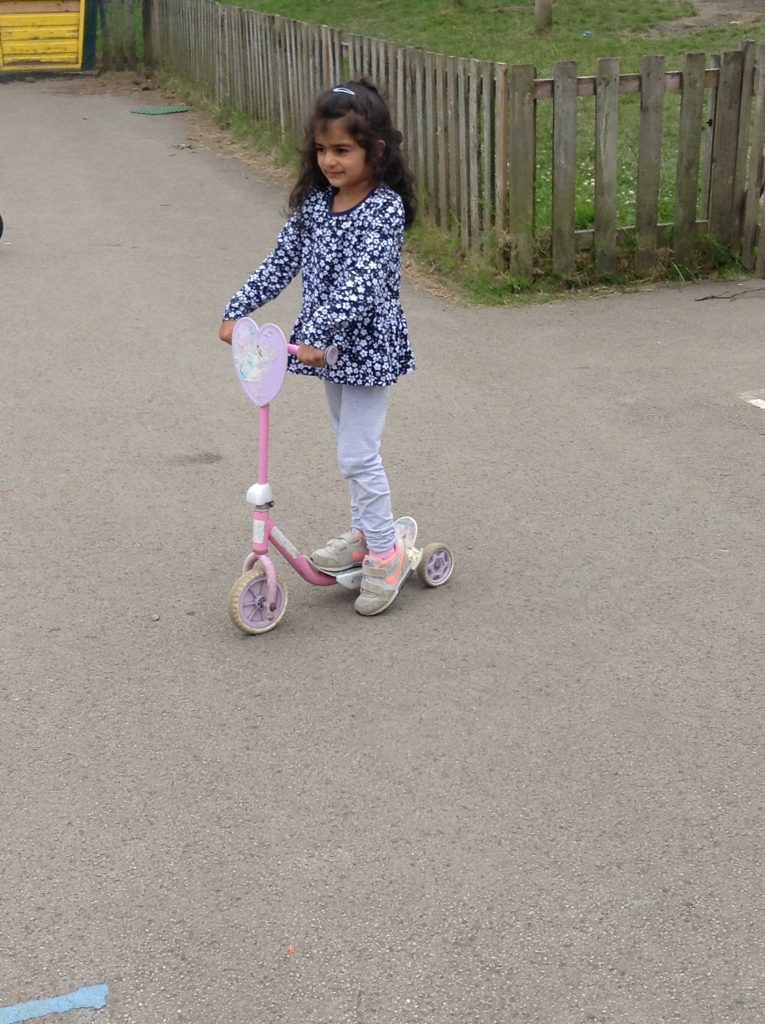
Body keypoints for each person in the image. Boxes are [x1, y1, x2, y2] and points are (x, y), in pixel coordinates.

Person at [219, 79, 417, 616]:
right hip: (326, 352)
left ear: (376, 151)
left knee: (358, 455)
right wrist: (237, 310)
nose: (330, 160)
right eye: (323, 149)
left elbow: (363, 283)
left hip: (367, 349)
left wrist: (317, 333)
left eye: (343, 150)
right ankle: (365, 532)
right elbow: (280, 262)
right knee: (349, 452)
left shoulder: (383, 209)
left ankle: (386, 553)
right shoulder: (315, 205)